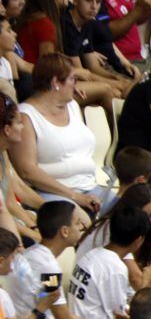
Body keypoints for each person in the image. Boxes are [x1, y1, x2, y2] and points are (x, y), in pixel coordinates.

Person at [8, 202, 111, 319]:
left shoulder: (34, 253)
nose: (81, 227)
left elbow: (59, 310)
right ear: (64, 231)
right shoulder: (49, 269)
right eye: (77, 224)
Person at [11, 54, 105, 216]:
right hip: (54, 192)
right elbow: (27, 170)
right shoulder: (26, 116)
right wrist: (75, 196)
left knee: (133, 209)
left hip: (91, 187)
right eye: (73, 79)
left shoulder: (73, 106)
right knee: (79, 220)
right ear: (55, 82)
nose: (77, 85)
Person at [68, 207, 149, 319]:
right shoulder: (115, 268)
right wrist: (145, 284)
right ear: (138, 240)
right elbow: (120, 316)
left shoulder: (92, 254)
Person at [61, 0, 140, 96]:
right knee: (114, 92)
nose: (94, 7)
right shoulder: (68, 25)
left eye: (98, 2)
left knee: (123, 87)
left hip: (80, 78)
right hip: (67, 82)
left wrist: (117, 79)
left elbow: (93, 66)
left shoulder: (87, 22)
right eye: (88, 0)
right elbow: (83, 74)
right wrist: (118, 84)